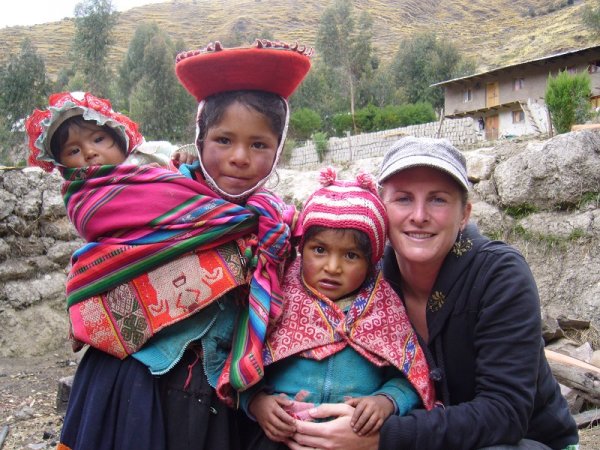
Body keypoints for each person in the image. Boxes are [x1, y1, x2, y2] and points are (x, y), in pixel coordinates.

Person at [26, 39, 312, 450]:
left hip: (212, 402)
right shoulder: (158, 194)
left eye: (259, 145)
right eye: (224, 140)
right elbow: (102, 242)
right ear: (200, 138)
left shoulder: (274, 229)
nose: (239, 157)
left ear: (279, 149)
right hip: (130, 382)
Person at [287, 136, 579, 450]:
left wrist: (384, 437)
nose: (419, 215)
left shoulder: (499, 275)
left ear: (464, 214)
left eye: (438, 199)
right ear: (381, 212)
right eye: (403, 199)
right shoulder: (367, 280)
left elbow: (504, 413)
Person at [241, 168, 436, 449]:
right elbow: (242, 364)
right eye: (319, 250)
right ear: (301, 247)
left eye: (351, 255)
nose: (332, 267)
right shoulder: (275, 298)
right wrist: (256, 403)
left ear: (372, 262)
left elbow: (410, 377)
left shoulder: (384, 308)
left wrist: (386, 401)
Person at [26, 91, 195, 172]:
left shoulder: (149, 153)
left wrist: (184, 158)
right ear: (62, 165)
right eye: (74, 151)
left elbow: (180, 156)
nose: (89, 152)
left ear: (120, 138)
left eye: (98, 139)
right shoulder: (85, 197)